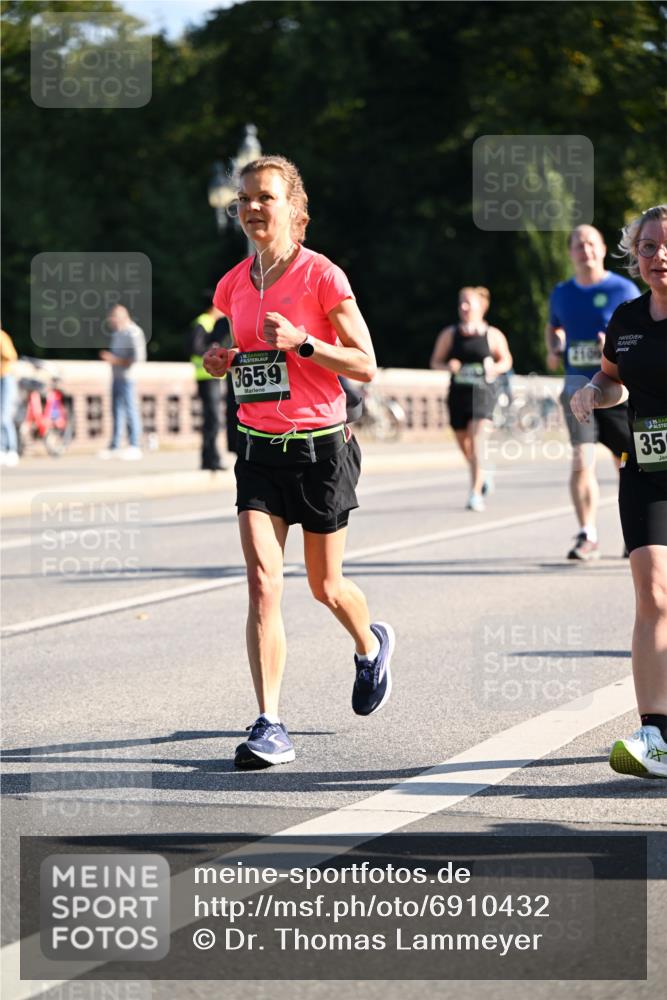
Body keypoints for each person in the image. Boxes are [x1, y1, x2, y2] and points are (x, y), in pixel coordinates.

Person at [203, 155, 395, 769]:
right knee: (263, 585)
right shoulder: (232, 285)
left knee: (325, 586)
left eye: (266, 197)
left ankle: (370, 644)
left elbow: (366, 365)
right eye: (245, 199)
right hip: (258, 449)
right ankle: (270, 724)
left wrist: (306, 343)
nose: (253, 207)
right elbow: (246, 357)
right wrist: (221, 360)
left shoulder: (322, 278)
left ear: (296, 212)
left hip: (320, 451)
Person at [570, 205, 667, 779]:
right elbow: (611, 378)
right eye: (650, 247)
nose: (661, 257)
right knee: (653, 594)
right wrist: (592, 392)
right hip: (650, 468)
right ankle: (655, 733)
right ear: (636, 254)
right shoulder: (628, 319)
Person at [546, 225, 640, 559]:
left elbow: (639, 332)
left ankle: (636, 533)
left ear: (602, 249)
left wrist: (612, 347)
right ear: (570, 252)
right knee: (580, 462)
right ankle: (588, 534)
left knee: (627, 464)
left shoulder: (623, 289)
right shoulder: (561, 292)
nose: (584, 250)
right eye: (577, 245)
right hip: (576, 390)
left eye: (590, 243)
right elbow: (554, 326)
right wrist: (554, 344)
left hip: (615, 389)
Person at [430, 286, 512, 511]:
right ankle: (483, 473)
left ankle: (475, 493)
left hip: (484, 394)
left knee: (477, 443)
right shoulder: (450, 334)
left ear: (481, 307)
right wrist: (449, 365)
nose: (464, 307)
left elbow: (507, 360)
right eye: (461, 303)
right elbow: (435, 361)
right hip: (458, 395)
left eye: (468, 303)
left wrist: (494, 367)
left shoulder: (492, 334)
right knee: (463, 444)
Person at [98, 304, 146, 460]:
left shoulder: (134, 333)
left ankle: (135, 444)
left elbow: (138, 359)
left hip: (128, 378)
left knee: (131, 409)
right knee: (116, 410)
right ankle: (115, 444)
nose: (111, 323)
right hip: (116, 377)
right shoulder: (117, 333)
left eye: (113, 319)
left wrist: (114, 360)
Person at [188, 302, 228, 470]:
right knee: (212, 420)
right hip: (207, 377)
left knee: (212, 420)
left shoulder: (209, 323)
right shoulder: (203, 322)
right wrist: (213, 351)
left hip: (212, 376)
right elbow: (195, 348)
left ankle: (210, 458)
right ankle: (212, 459)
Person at [0, 328, 19, 466]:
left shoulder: (2, 337)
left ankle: (12, 450)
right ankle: (2, 449)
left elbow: (11, 356)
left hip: (6, 378)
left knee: (5, 416)